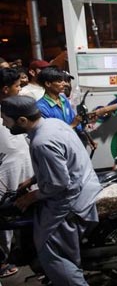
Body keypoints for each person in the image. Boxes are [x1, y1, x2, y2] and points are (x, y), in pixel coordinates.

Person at [1, 96, 101, 286]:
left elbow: (59, 183)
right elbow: (65, 161)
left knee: (51, 252)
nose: (5, 125)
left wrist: (32, 196)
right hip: (87, 185)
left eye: (6, 120)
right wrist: (33, 179)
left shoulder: (42, 142)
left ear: (22, 120)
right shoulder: (55, 124)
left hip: (72, 201)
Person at [0, 69, 33, 279]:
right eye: (17, 86)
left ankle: (19, 250)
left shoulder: (13, 108)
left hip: (23, 168)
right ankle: (2, 259)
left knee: (24, 208)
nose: (20, 90)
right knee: (4, 215)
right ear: (5, 89)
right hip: (6, 171)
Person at [36, 67, 95, 150]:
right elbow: (50, 135)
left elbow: (73, 119)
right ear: (48, 84)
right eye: (60, 81)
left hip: (72, 143)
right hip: (58, 148)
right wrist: (72, 125)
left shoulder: (63, 98)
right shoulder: (41, 107)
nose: (65, 84)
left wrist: (87, 137)